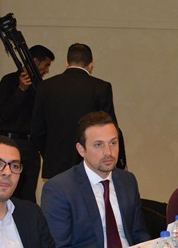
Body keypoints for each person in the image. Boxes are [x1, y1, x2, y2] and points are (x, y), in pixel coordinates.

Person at [41, 111, 150, 248]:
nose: (108, 152)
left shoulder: (127, 181)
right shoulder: (59, 189)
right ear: (81, 149)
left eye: (113, 143)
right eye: (98, 145)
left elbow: (139, 234)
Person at [31, 43, 126, 180]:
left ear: (67, 63)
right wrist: (121, 162)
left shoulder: (45, 87)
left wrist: (50, 154)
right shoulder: (101, 88)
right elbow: (110, 129)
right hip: (90, 164)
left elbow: (37, 131)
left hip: (55, 164)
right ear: (90, 65)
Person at [0, 44, 55, 203]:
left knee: (28, 195)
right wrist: (21, 90)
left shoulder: (40, 87)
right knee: (8, 192)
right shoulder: (8, 81)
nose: (47, 70)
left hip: (31, 146)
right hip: (9, 143)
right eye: (46, 65)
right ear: (35, 61)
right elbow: (5, 114)